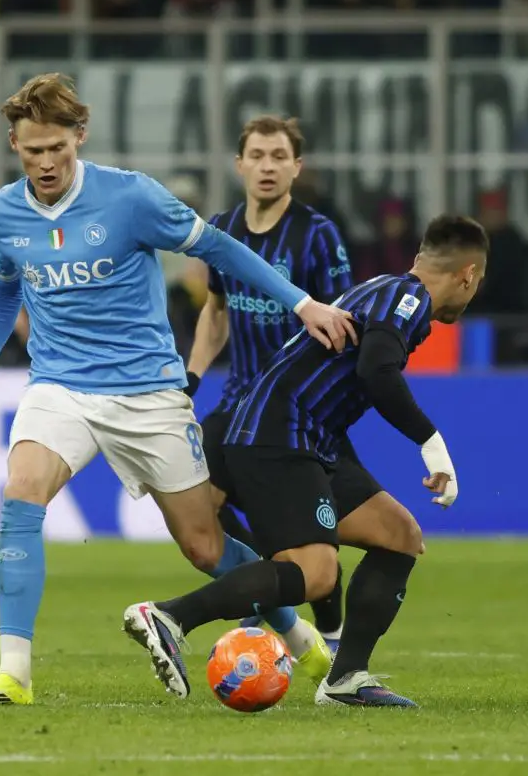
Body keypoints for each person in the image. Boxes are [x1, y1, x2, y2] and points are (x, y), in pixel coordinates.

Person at [0, 73, 354, 706]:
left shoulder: (130, 197)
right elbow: (5, 290)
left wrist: (302, 304)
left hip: (147, 392)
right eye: (33, 151)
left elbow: (220, 247)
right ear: (14, 145)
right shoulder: (3, 210)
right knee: (20, 494)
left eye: (57, 148)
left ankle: (301, 640)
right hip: (59, 387)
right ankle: (13, 676)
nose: (46, 163)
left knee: (204, 546)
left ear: (80, 137)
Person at [122, 215, 488, 707]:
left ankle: (345, 679)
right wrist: (431, 443)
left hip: (308, 438)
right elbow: (377, 369)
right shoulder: (409, 299)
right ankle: (170, 617)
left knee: (399, 535)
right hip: (280, 435)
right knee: (315, 573)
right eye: (478, 282)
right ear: (468, 274)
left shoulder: (385, 289)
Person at [183, 115, 353, 652]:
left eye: (279, 157)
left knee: (317, 538)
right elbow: (216, 310)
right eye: (257, 155)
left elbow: (343, 321)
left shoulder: (317, 235)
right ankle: (269, 588)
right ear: (239, 165)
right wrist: (191, 378)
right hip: (238, 403)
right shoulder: (222, 230)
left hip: (300, 413)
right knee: (196, 511)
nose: (267, 166)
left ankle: (332, 641)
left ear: (297, 168)